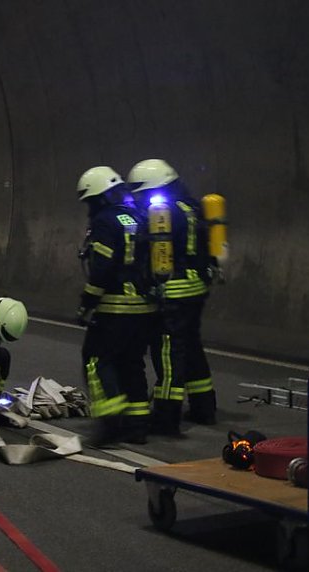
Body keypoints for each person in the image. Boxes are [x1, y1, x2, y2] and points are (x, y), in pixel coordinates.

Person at [127, 159, 216, 435]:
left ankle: (166, 417)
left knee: (167, 354)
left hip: (173, 293)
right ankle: (204, 408)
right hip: (197, 288)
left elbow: (149, 255)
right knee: (192, 348)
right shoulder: (193, 208)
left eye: (139, 193)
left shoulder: (161, 213)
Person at [75, 166, 157, 446]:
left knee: (97, 359)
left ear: (99, 197)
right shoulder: (140, 216)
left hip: (115, 308)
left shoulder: (104, 221)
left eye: (90, 201)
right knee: (132, 364)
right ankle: (137, 427)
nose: (89, 207)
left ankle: (110, 423)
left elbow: (102, 269)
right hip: (144, 308)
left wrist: (87, 303)